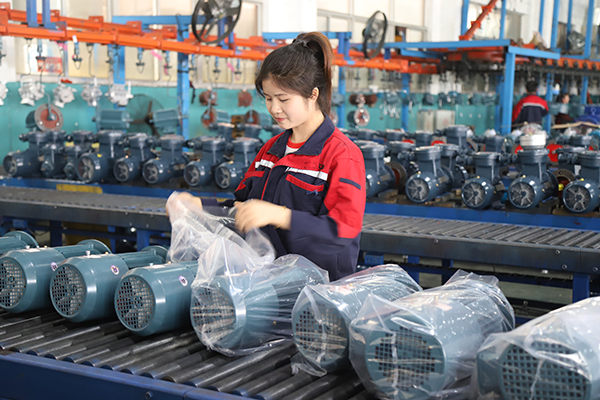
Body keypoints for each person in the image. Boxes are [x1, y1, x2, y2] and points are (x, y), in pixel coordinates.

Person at [168, 32, 366, 280]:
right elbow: (244, 208)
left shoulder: (342, 155)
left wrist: (281, 215)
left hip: (320, 289)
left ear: (313, 94)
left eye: (283, 99)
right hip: (269, 283)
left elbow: (343, 230)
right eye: (268, 98)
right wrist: (201, 207)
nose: (274, 108)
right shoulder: (270, 150)